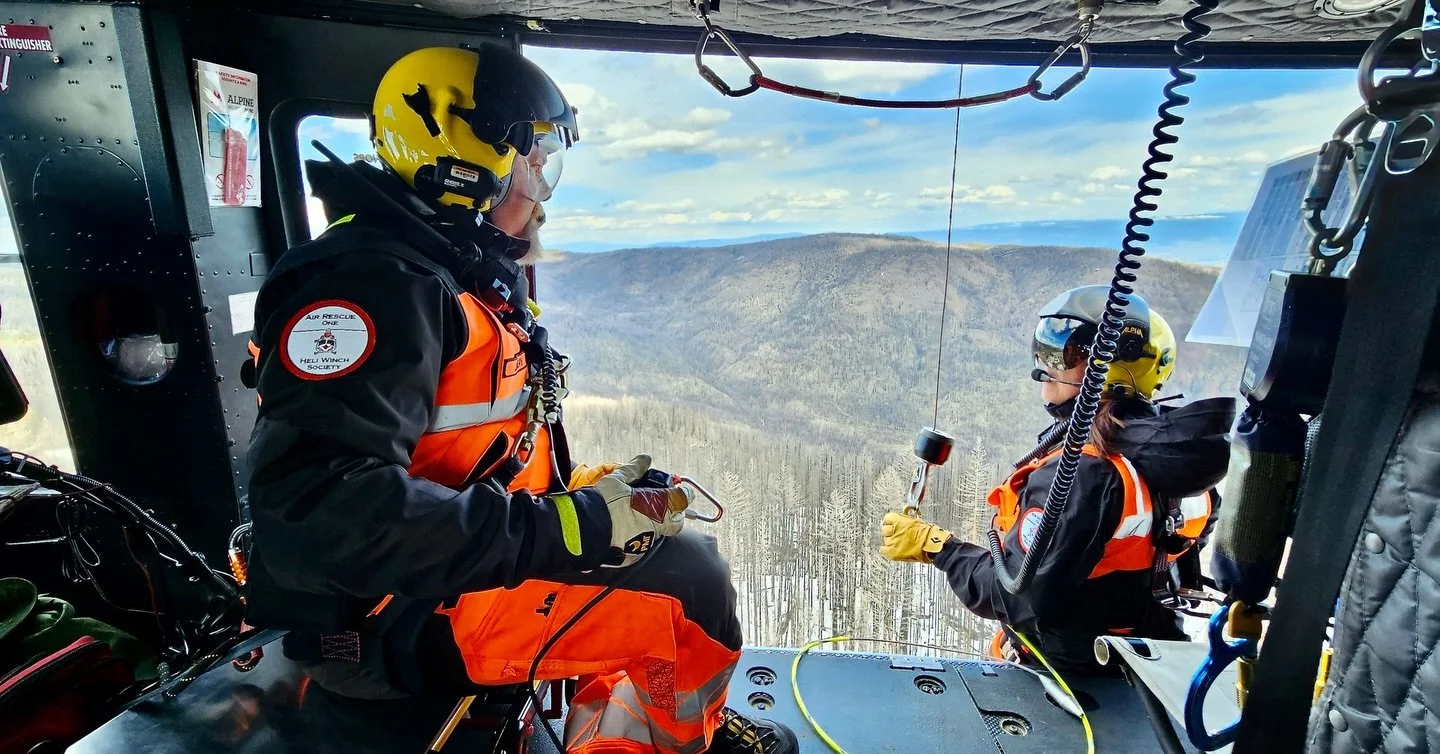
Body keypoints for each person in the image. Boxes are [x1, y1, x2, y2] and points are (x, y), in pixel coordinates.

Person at [241, 44, 795, 753]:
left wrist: (580, 494)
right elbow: (322, 516)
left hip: (436, 585)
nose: (544, 187)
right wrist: (577, 526)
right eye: (535, 160)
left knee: (659, 541)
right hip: (390, 621)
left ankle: (611, 730)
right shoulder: (372, 287)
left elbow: (454, 454)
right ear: (468, 164)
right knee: (692, 584)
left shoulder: (439, 269)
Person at [879, 286, 1236, 673]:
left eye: (1062, 355)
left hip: (1075, 669)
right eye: (1044, 351)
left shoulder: (1082, 473)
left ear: (1108, 369)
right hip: (1148, 663)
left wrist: (940, 549)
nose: (1044, 368)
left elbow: (1016, 593)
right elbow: (1167, 562)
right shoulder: (1179, 460)